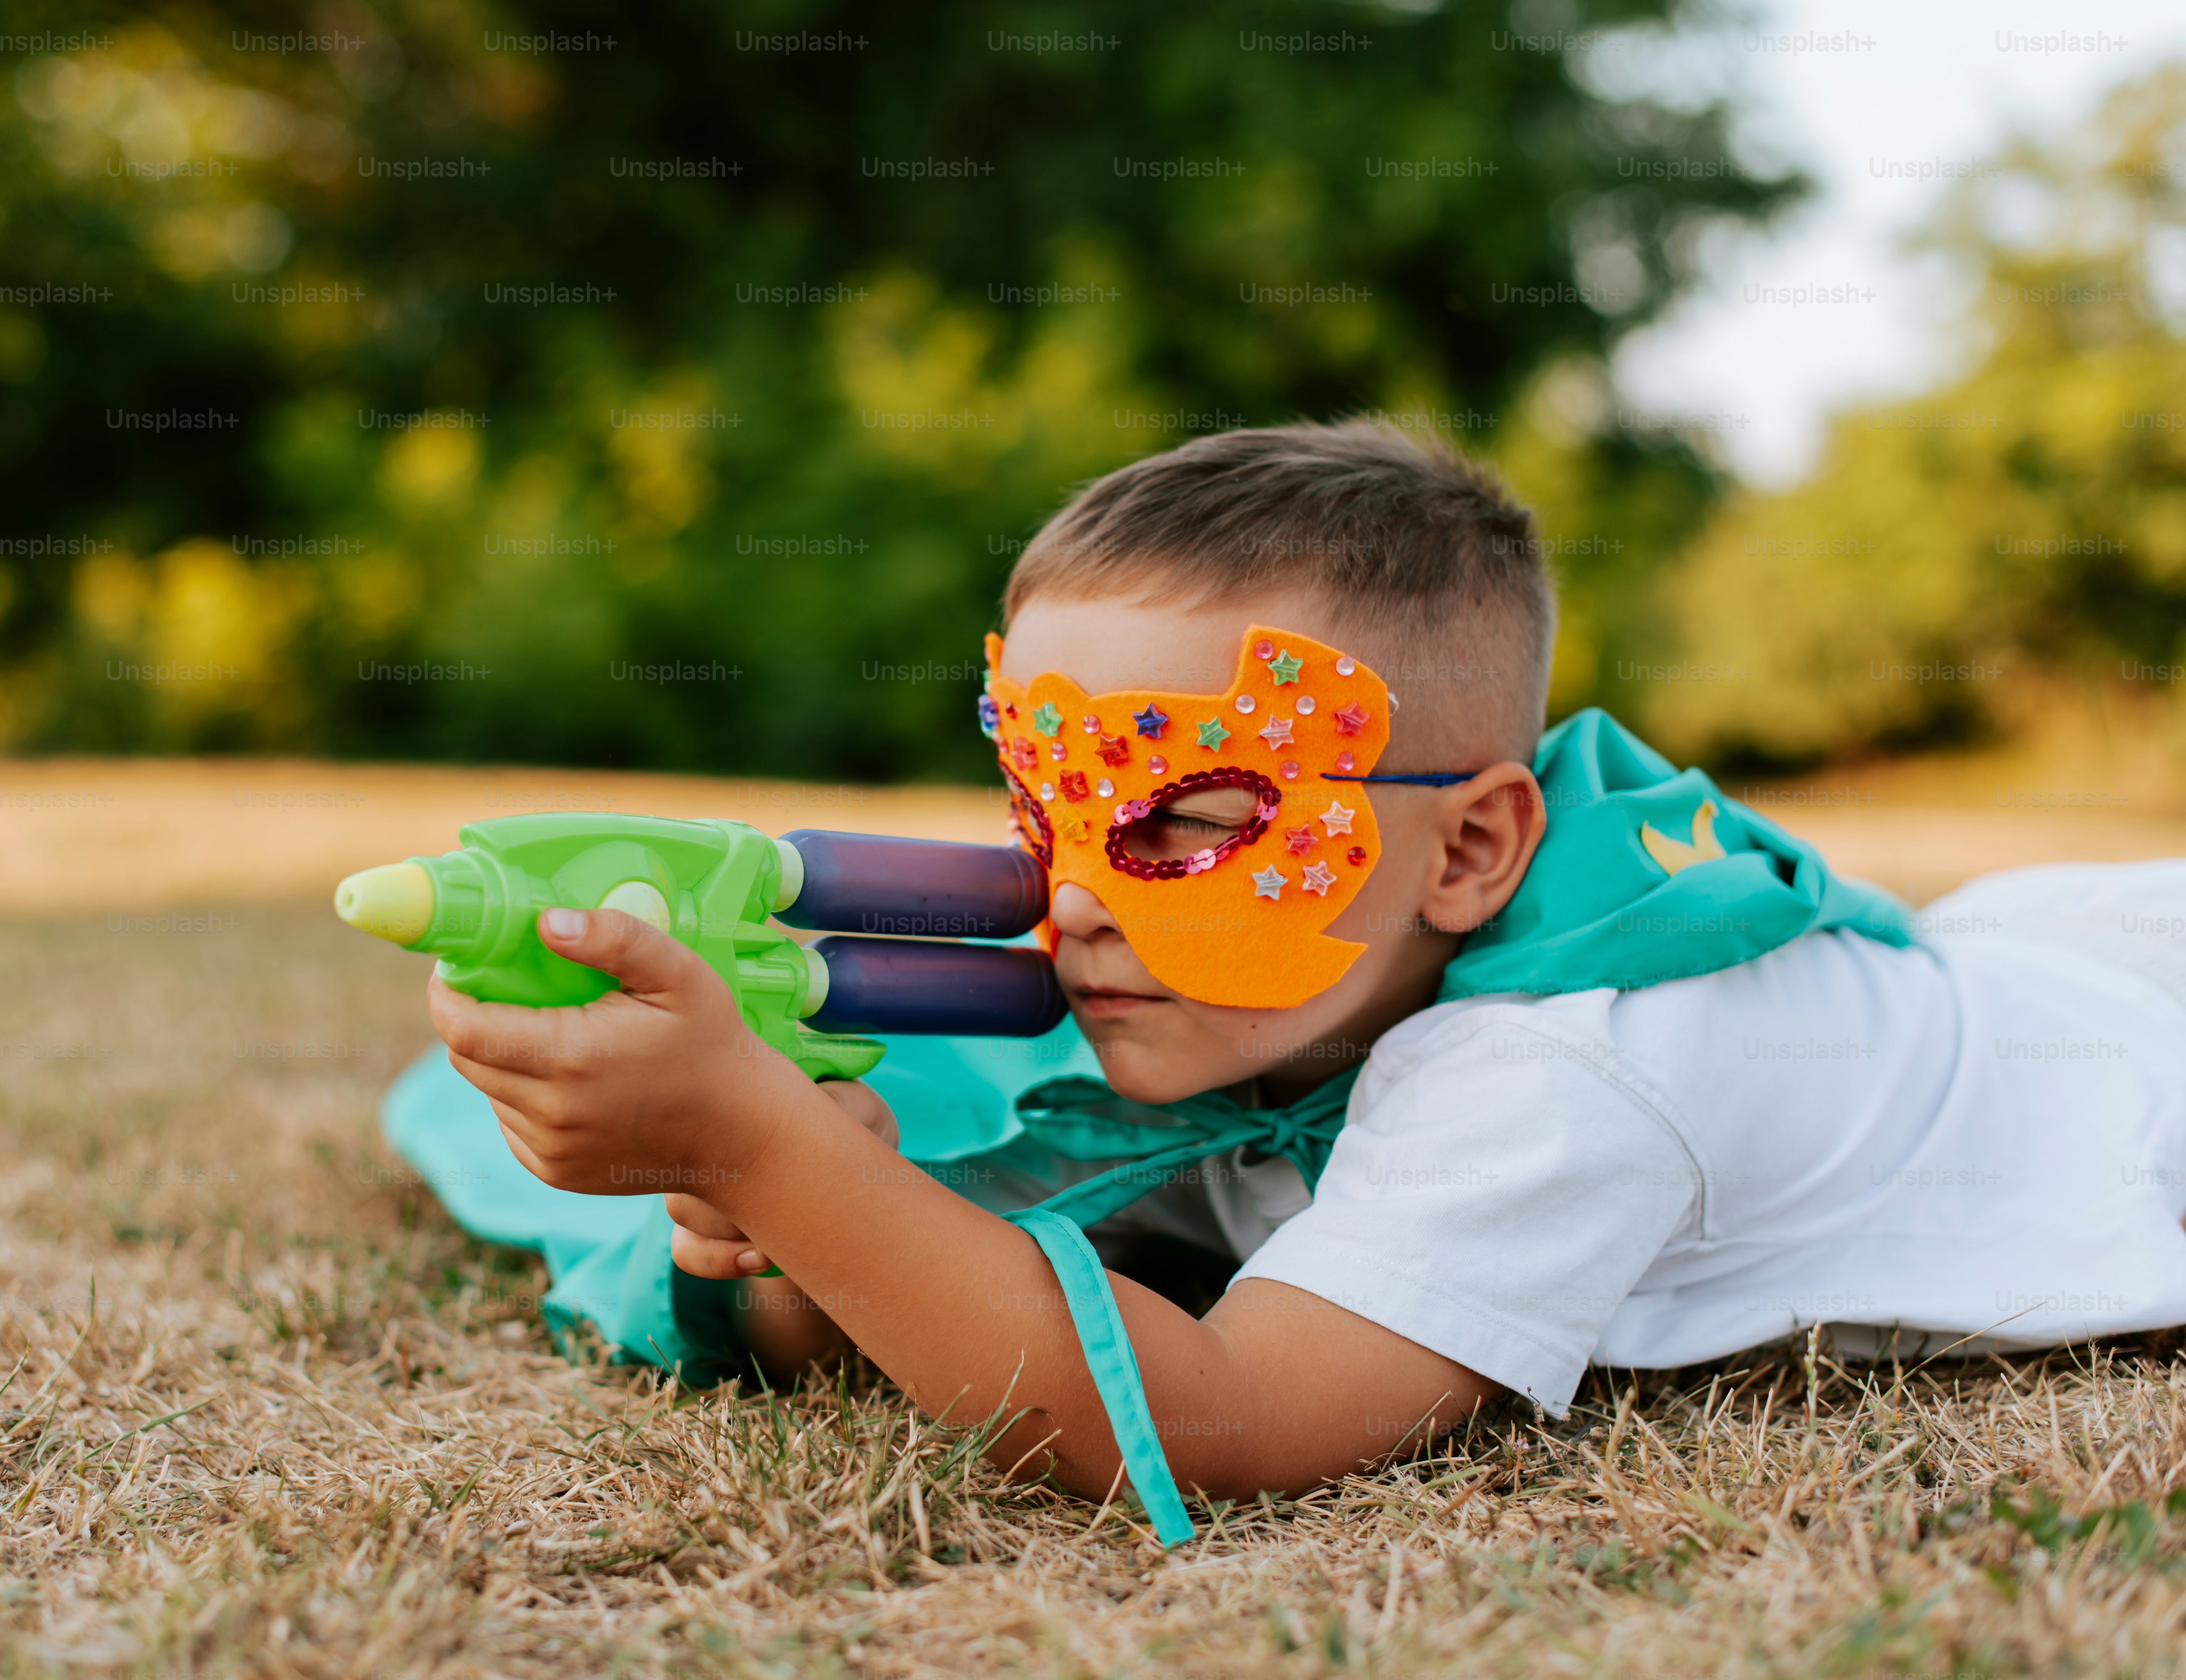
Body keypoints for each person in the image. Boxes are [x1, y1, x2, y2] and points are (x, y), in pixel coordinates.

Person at [397, 420, 2186, 1540]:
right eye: (1044, 805)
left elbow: (1227, 1418)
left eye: (1186, 818)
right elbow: (965, 1283)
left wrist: (796, 1163)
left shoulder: (1563, 1071)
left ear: (1470, 850)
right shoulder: (1272, 998)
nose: (1077, 901)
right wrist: (760, 1206)